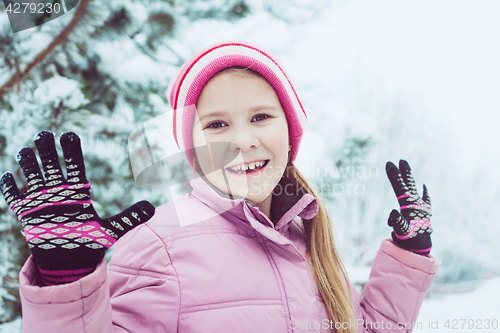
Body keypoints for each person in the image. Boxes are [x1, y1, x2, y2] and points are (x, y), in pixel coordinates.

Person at [0, 42, 440, 333]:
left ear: (290, 132)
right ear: (193, 148)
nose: (244, 140)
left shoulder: (307, 242)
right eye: (217, 125)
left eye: (261, 117)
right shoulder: (158, 244)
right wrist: (68, 282)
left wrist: (408, 258)